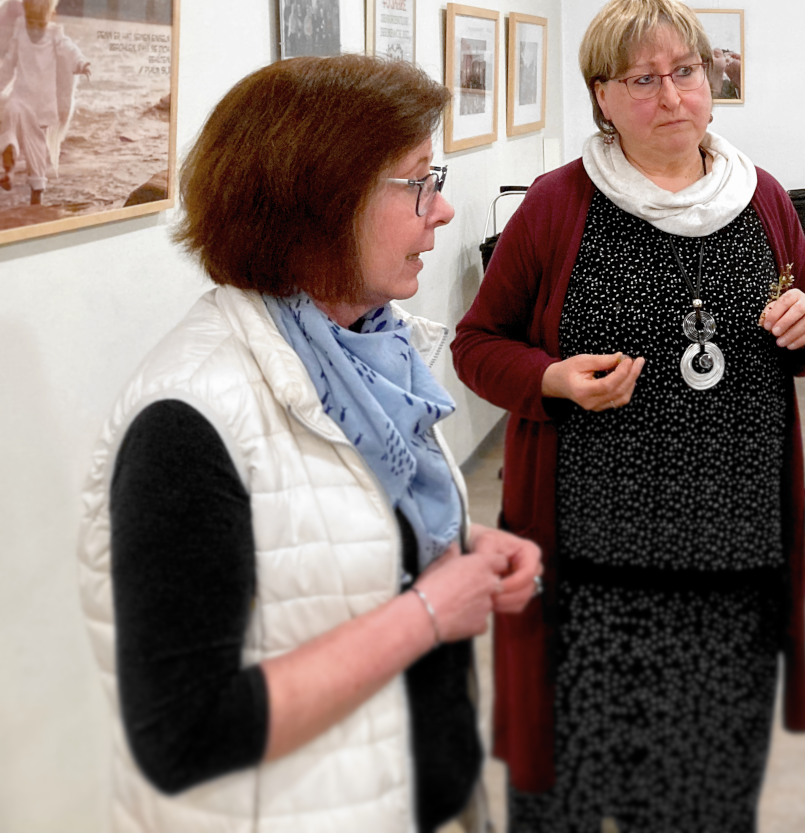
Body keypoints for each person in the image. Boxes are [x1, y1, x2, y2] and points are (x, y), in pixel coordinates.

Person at [77, 54, 541, 833]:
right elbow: (183, 734)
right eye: (419, 182)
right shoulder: (188, 421)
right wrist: (430, 610)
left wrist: (462, 544)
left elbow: (330, 528)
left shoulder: (366, 355)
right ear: (322, 204)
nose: (444, 211)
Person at [452, 0, 805, 832]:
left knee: (704, 798)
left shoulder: (761, 197)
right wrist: (551, 381)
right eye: (642, 80)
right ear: (601, 96)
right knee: (577, 794)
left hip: (735, 562)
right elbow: (477, 343)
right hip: (594, 574)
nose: (671, 98)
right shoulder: (558, 206)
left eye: (686, 72)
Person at [0, 0, 91, 204]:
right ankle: (35, 191)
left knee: (10, 121)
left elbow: (9, 64)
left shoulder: (39, 32)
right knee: (35, 146)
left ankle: (9, 161)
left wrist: (80, 63)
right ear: (49, 8)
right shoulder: (49, 33)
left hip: (24, 100)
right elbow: (69, 51)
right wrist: (80, 63)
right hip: (39, 104)